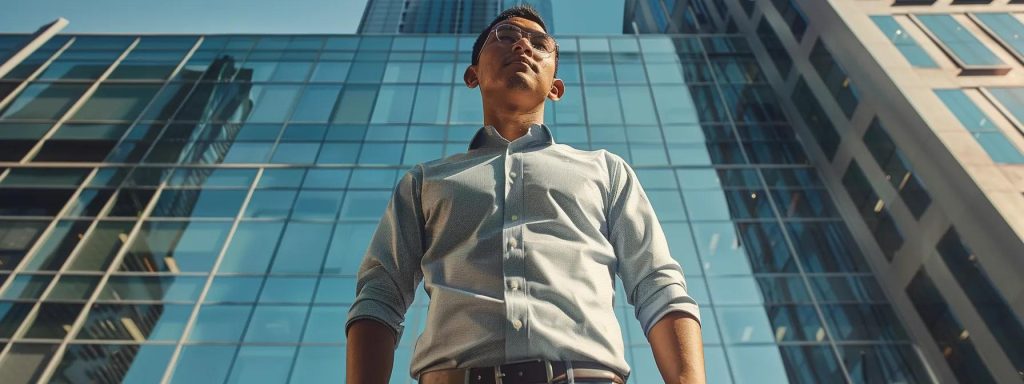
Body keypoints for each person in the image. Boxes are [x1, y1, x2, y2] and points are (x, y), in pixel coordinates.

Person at [346, 5, 704, 384]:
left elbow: (657, 285)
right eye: (505, 37)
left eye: (539, 42)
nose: (522, 46)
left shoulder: (606, 170)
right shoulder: (424, 182)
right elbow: (380, 296)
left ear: (556, 87)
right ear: (473, 75)